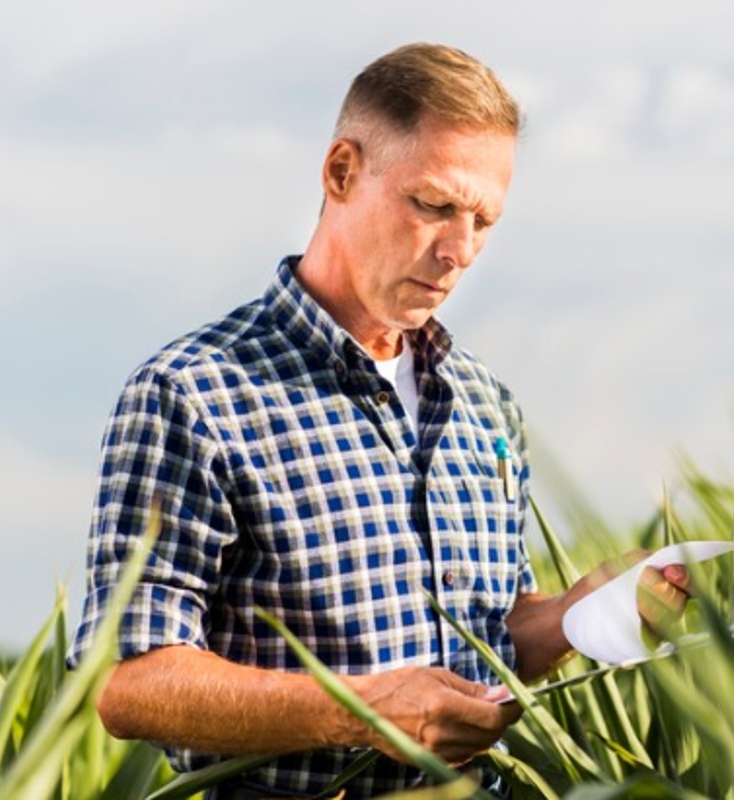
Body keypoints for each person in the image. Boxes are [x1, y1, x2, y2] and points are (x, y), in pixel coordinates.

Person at [67, 43, 690, 798]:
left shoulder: (482, 405)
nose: (459, 250)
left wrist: (571, 616)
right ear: (340, 173)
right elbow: (126, 682)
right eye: (432, 205)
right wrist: (360, 713)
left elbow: (482, 650)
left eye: (483, 220)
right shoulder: (193, 396)